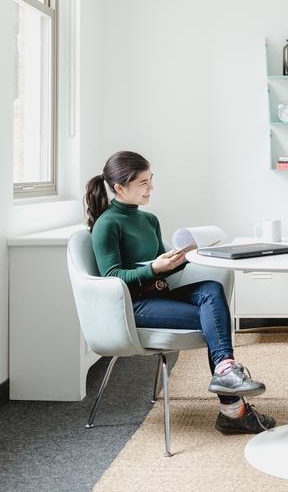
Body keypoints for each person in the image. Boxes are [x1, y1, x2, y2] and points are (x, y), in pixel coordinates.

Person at [85, 150, 275, 434]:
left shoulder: (149, 220)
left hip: (159, 294)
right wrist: (153, 268)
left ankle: (226, 374)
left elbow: (164, 268)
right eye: (143, 183)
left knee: (211, 289)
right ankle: (233, 409)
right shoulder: (106, 224)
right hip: (133, 306)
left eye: (151, 180)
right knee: (212, 320)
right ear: (119, 187)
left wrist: (184, 257)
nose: (151, 188)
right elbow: (111, 277)